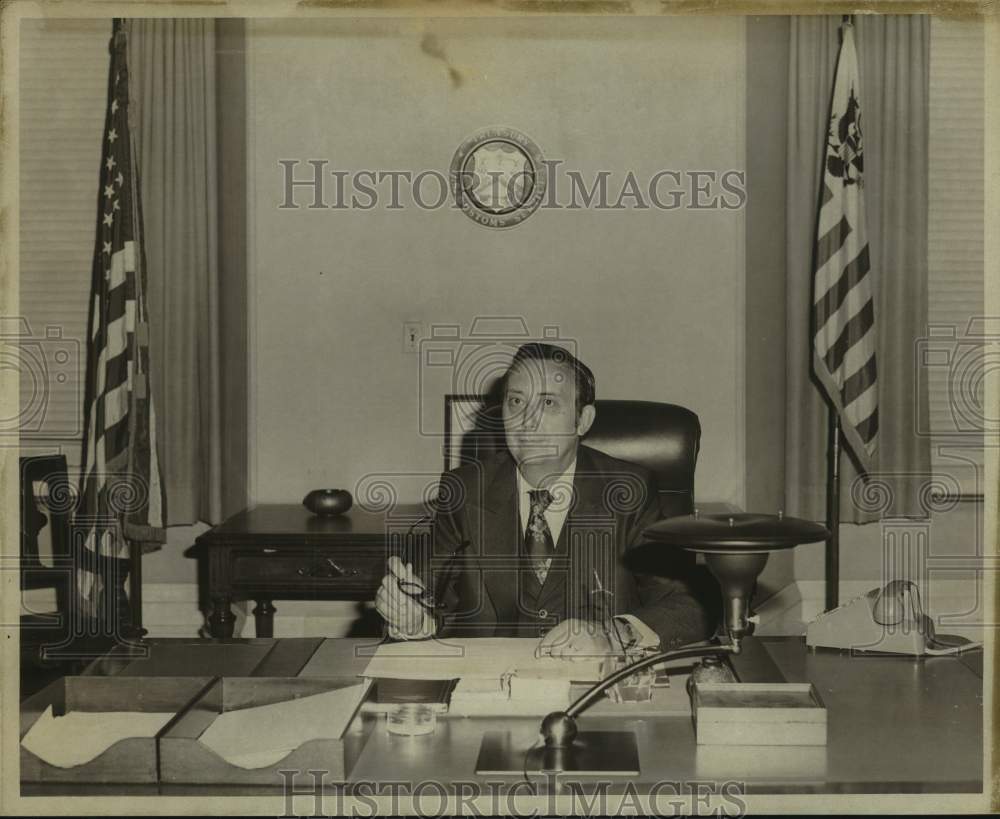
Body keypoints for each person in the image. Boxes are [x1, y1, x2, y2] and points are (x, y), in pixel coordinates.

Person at [375, 343, 714, 658]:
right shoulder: (465, 490)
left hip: (594, 687)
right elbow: (429, 601)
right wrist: (415, 620)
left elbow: (690, 606)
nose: (527, 420)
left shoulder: (629, 491)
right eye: (516, 402)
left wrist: (612, 635)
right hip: (491, 686)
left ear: (582, 421)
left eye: (549, 403)